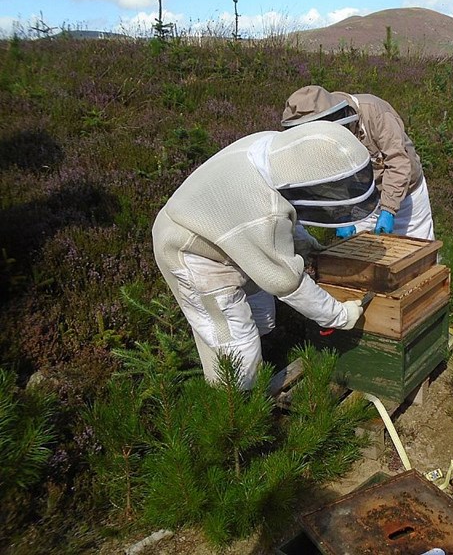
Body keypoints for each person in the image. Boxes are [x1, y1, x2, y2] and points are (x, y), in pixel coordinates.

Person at [152, 121, 378, 389]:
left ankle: (265, 366)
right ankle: (237, 410)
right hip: (189, 248)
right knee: (234, 343)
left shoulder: (273, 150)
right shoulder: (262, 209)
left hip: (224, 230)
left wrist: (306, 243)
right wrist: (338, 316)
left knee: (262, 315)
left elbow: (285, 210)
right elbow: (285, 281)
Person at [281, 85, 435, 240]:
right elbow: (327, 178)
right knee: (365, 256)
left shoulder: (375, 112)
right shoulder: (314, 141)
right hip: (361, 200)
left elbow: (399, 163)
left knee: (419, 251)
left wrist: (388, 209)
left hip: (406, 196)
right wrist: (340, 215)